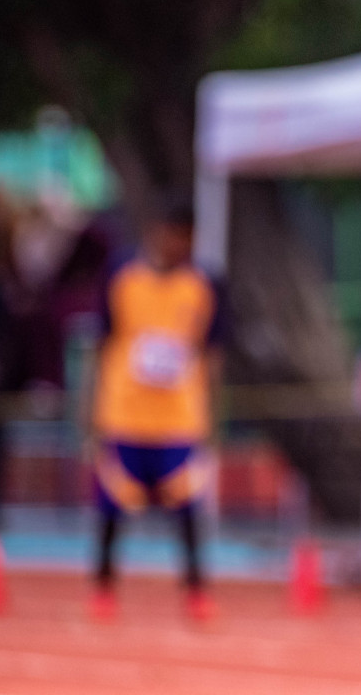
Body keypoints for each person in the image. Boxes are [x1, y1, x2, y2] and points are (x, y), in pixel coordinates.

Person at [86, 198, 227, 622]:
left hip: (180, 418)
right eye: (173, 234)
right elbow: (100, 342)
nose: (178, 244)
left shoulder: (206, 284)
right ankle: (104, 587)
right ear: (155, 230)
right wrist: (88, 415)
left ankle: (196, 591)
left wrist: (214, 420)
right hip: (123, 413)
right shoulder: (121, 274)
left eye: (187, 237)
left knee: (187, 509)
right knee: (112, 506)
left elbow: (214, 355)